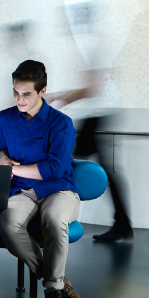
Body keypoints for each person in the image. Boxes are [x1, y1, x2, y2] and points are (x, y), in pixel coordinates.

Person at [0, 60, 88, 298]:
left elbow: (54, 169)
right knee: (7, 222)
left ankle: (52, 295)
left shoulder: (62, 123)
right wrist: (2, 158)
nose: (19, 99)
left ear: (43, 91)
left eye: (26, 94)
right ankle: (59, 284)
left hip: (59, 191)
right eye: (16, 92)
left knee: (54, 220)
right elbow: (2, 148)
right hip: (22, 192)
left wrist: (17, 169)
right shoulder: (5, 117)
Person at [44, 70, 134, 242]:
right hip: (97, 115)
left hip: (98, 115)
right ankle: (122, 224)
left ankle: (50, 210)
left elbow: (95, 87)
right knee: (107, 171)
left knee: (62, 159)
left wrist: (62, 98)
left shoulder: (94, 45)